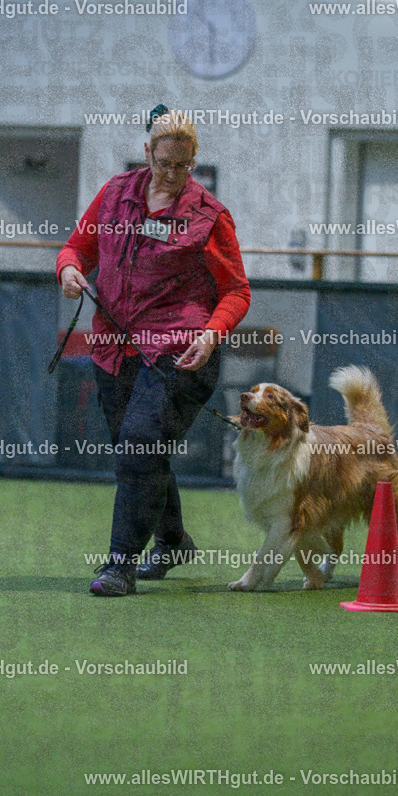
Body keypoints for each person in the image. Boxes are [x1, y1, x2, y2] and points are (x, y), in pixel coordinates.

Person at [57, 106, 251, 596]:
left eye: (183, 165)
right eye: (165, 162)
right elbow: (78, 247)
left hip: (181, 352)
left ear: (193, 160)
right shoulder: (115, 194)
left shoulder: (208, 216)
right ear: (148, 153)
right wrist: (69, 271)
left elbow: (237, 291)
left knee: (140, 445)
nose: (172, 173)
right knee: (140, 450)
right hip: (114, 348)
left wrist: (212, 333)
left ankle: (119, 564)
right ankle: (173, 539)